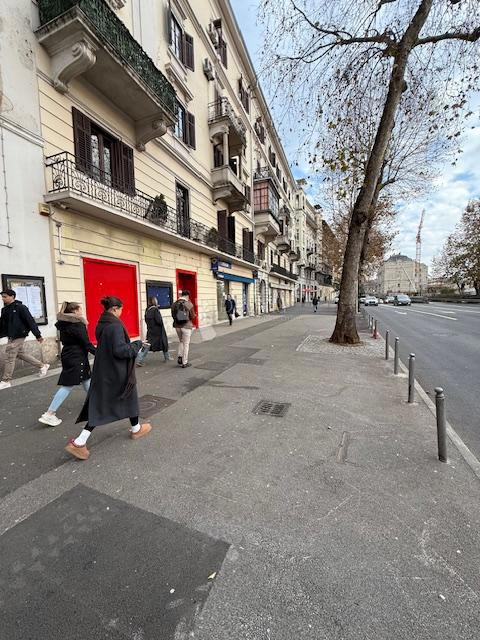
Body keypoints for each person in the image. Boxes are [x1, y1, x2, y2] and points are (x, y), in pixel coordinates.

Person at [65, 296, 151, 461]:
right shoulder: (115, 326)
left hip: (106, 369)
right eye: (121, 309)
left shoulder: (102, 323)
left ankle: (136, 428)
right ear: (114, 309)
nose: (122, 312)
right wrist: (137, 344)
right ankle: (79, 442)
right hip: (116, 371)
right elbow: (120, 351)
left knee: (121, 400)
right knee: (106, 404)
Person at [39, 302, 96, 426]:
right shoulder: (77, 324)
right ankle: (49, 414)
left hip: (68, 354)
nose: (82, 311)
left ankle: (96, 401)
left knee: (86, 378)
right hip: (77, 356)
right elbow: (86, 343)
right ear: (75, 311)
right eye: (80, 309)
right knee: (68, 385)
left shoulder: (64, 323)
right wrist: (99, 353)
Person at [0, 289, 49, 389]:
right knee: (20, 354)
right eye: (2, 297)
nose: (3, 299)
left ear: (12, 296)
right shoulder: (4, 309)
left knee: (9, 356)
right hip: (11, 336)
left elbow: (30, 321)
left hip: (19, 335)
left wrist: (38, 335)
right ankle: (42, 366)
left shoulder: (21, 307)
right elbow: (2, 324)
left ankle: (6, 380)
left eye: (5, 297)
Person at [137, 297, 170, 366]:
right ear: (154, 301)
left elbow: (146, 319)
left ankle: (140, 359)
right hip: (158, 330)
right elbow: (159, 321)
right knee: (164, 342)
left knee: (147, 344)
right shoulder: (155, 310)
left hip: (150, 329)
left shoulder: (147, 309)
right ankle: (167, 357)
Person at [171, 290, 196, 368]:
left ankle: (180, 357)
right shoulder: (188, 304)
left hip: (177, 326)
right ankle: (184, 362)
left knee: (181, 341)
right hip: (186, 326)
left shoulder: (174, 304)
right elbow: (193, 316)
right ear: (187, 296)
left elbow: (173, 315)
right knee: (186, 344)